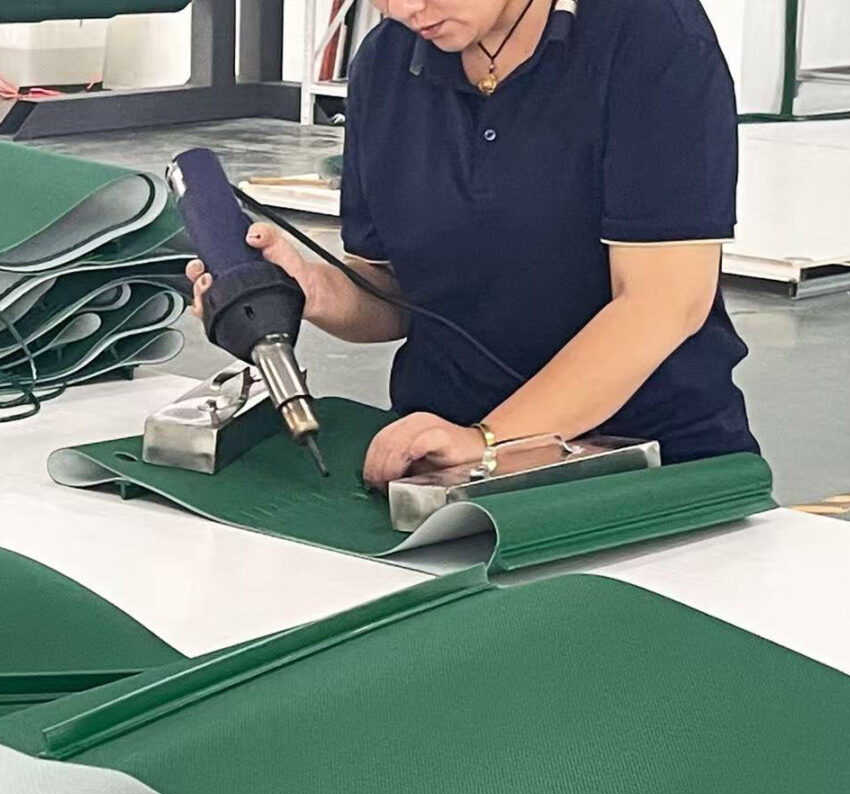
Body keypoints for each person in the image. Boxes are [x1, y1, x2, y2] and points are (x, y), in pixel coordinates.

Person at [187, 0, 760, 488]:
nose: (404, 9)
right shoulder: (387, 63)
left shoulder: (649, 37)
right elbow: (396, 293)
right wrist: (312, 289)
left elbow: (662, 304)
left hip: (648, 462)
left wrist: (489, 440)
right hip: (439, 465)